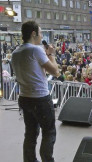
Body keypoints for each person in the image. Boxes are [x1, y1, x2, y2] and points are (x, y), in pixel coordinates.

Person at [11, 21, 59, 162]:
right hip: (40, 98)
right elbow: (55, 71)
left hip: (24, 98)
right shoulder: (35, 50)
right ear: (33, 33)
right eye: (41, 32)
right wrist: (51, 54)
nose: (42, 35)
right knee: (49, 132)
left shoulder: (16, 52)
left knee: (30, 134)